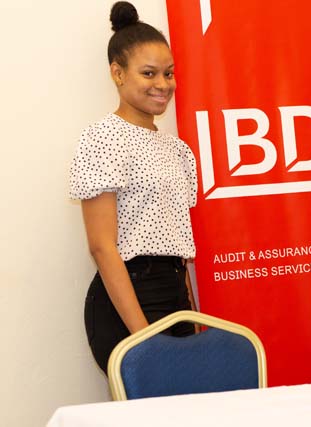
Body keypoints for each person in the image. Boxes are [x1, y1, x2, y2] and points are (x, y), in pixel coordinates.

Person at [69, 1, 197, 374]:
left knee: (189, 400)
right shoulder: (103, 138)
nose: (163, 84)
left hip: (175, 296)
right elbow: (101, 246)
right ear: (118, 73)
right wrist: (144, 336)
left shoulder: (178, 149)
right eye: (149, 73)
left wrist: (191, 316)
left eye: (169, 73)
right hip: (129, 299)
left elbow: (177, 241)